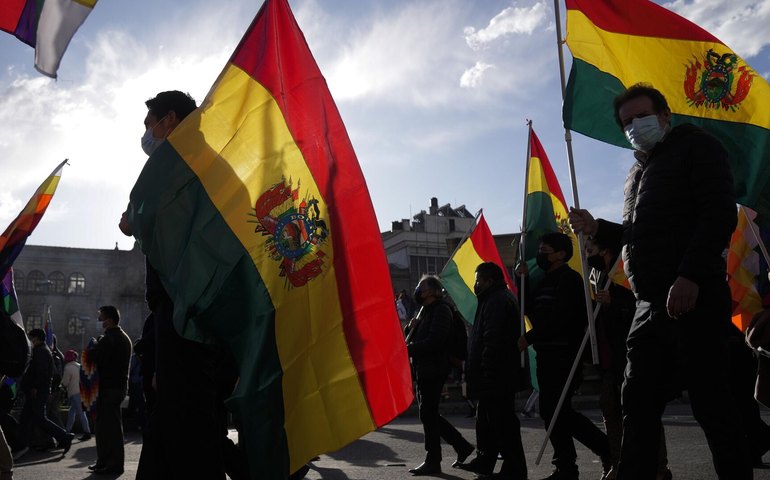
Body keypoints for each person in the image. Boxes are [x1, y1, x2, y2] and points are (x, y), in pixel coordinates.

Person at [568, 83, 751, 479]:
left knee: (712, 405)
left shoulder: (697, 146)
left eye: (642, 116)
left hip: (694, 296)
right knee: (635, 402)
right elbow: (640, 233)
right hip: (648, 304)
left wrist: (690, 275)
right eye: (627, 122)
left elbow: (719, 213)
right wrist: (597, 226)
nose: (635, 126)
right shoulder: (636, 172)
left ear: (665, 115)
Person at [121, 91, 229, 479]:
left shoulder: (185, 160)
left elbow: (147, 215)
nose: (146, 133)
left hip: (186, 309)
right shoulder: (200, 160)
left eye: (149, 124)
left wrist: (136, 217)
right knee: (176, 418)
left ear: (169, 121)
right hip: (182, 311)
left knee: (189, 420)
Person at [516, 233, 611, 480]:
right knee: (552, 411)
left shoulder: (570, 279)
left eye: (545, 251)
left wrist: (531, 337)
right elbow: (528, 310)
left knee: (557, 410)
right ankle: (566, 467)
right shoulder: (543, 280)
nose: (540, 256)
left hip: (565, 354)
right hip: (546, 354)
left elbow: (561, 318)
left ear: (561, 254)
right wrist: (522, 279)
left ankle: (601, 451)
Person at [457, 262, 527, 479]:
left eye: (478, 280)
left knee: (502, 423)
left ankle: (514, 469)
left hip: (496, 375)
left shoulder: (497, 300)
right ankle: (485, 461)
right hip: (493, 375)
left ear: (489, 281)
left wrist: (487, 370)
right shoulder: (491, 299)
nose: (475, 285)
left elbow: (492, 339)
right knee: (486, 420)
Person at [405, 275, 474, 476]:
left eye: (421, 287)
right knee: (429, 413)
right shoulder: (425, 311)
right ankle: (461, 446)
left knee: (427, 412)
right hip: (424, 367)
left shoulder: (441, 310)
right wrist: (411, 327)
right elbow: (415, 336)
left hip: (435, 367)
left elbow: (435, 341)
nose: (418, 290)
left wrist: (407, 350)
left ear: (432, 291)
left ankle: (433, 459)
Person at [87, 306, 132, 475]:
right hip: (117, 388)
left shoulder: (110, 339)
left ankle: (112, 464)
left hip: (109, 388)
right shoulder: (122, 337)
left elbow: (97, 358)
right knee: (106, 427)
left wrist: (93, 348)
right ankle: (104, 462)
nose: (101, 322)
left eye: (103, 318)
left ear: (111, 320)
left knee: (109, 429)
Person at [18, 329, 73, 456]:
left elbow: (41, 372)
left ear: (36, 339)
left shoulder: (41, 351)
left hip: (37, 391)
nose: (30, 341)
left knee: (39, 418)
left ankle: (64, 437)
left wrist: (35, 387)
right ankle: (21, 444)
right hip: (36, 391)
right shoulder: (41, 350)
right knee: (27, 419)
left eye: (31, 338)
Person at [61, 349, 91, 441]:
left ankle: (87, 432)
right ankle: (67, 431)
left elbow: (65, 382)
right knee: (72, 412)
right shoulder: (79, 366)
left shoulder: (68, 367)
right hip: (81, 392)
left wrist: (60, 385)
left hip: (74, 393)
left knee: (80, 413)